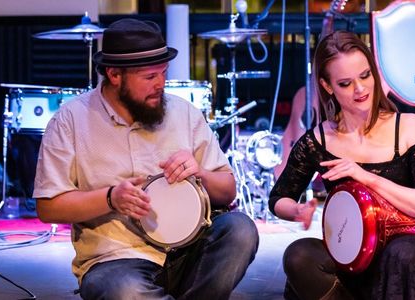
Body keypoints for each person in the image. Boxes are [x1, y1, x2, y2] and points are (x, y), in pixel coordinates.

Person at [33, 18, 259, 299]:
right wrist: (110, 198)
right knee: (125, 291)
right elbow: (48, 206)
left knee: (241, 229)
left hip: (188, 250)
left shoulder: (183, 113)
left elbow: (227, 190)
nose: (161, 84)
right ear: (115, 75)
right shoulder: (70, 121)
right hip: (116, 259)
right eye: (150, 77)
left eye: (163, 73)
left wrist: (199, 172)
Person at [269, 31, 415, 299]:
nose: (361, 89)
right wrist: (297, 211)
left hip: (407, 255)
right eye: (345, 83)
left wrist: (364, 176)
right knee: (299, 255)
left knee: (404, 254)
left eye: (365, 76)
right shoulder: (319, 139)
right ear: (328, 86)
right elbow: (279, 198)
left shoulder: (407, 126)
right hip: (349, 255)